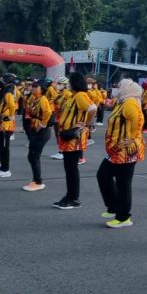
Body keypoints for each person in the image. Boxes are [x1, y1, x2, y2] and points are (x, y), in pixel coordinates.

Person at [97, 78, 145, 229]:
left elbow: (139, 119)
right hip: (115, 150)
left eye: (119, 86)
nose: (116, 88)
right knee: (103, 175)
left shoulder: (130, 102)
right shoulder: (123, 101)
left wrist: (132, 138)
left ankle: (123, 217)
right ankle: (114, 207)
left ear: (126, 89)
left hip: (125, 151)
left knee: (123, 183)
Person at [53, 72, 97, 210]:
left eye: (70, 82)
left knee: (71, 169)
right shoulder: (73, 96)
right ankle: (70, 196)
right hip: (69, 136)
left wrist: (86, 123)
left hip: (74, 138)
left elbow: (92, 108)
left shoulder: (80, 95)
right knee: (70, 168)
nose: (68, 84)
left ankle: (73, 198)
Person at [23, 80, 53, 191]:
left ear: (42, 89)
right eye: (33, 86)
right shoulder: (35, 99)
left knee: (34, 156)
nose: (34, 88)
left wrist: (42, 124)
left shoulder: (43, 99)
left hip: (41, 132)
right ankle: (36, 180)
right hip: (35, 130)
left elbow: (48, 113)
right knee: (32, 156)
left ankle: (38, 181)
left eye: (36, 87)